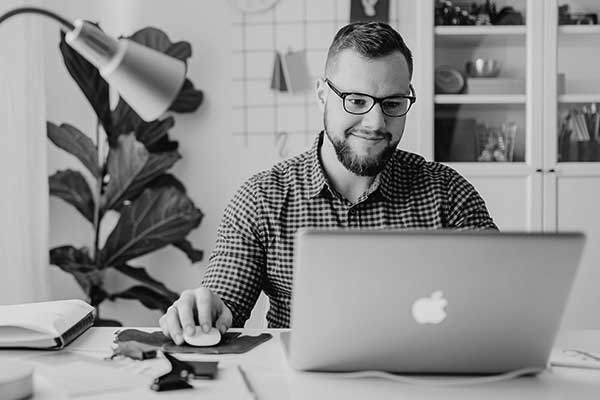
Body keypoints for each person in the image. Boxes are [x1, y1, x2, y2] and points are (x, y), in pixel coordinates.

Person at [159, 21, 497, 344]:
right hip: (299, 379)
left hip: (422, 375)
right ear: (322, 94)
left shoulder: (448, 193)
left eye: (393, 103)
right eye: (357, 101)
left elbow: (502, 298)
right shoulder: (262, 198)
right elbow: (224, 302)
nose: (375, 123)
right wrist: (203, 311)